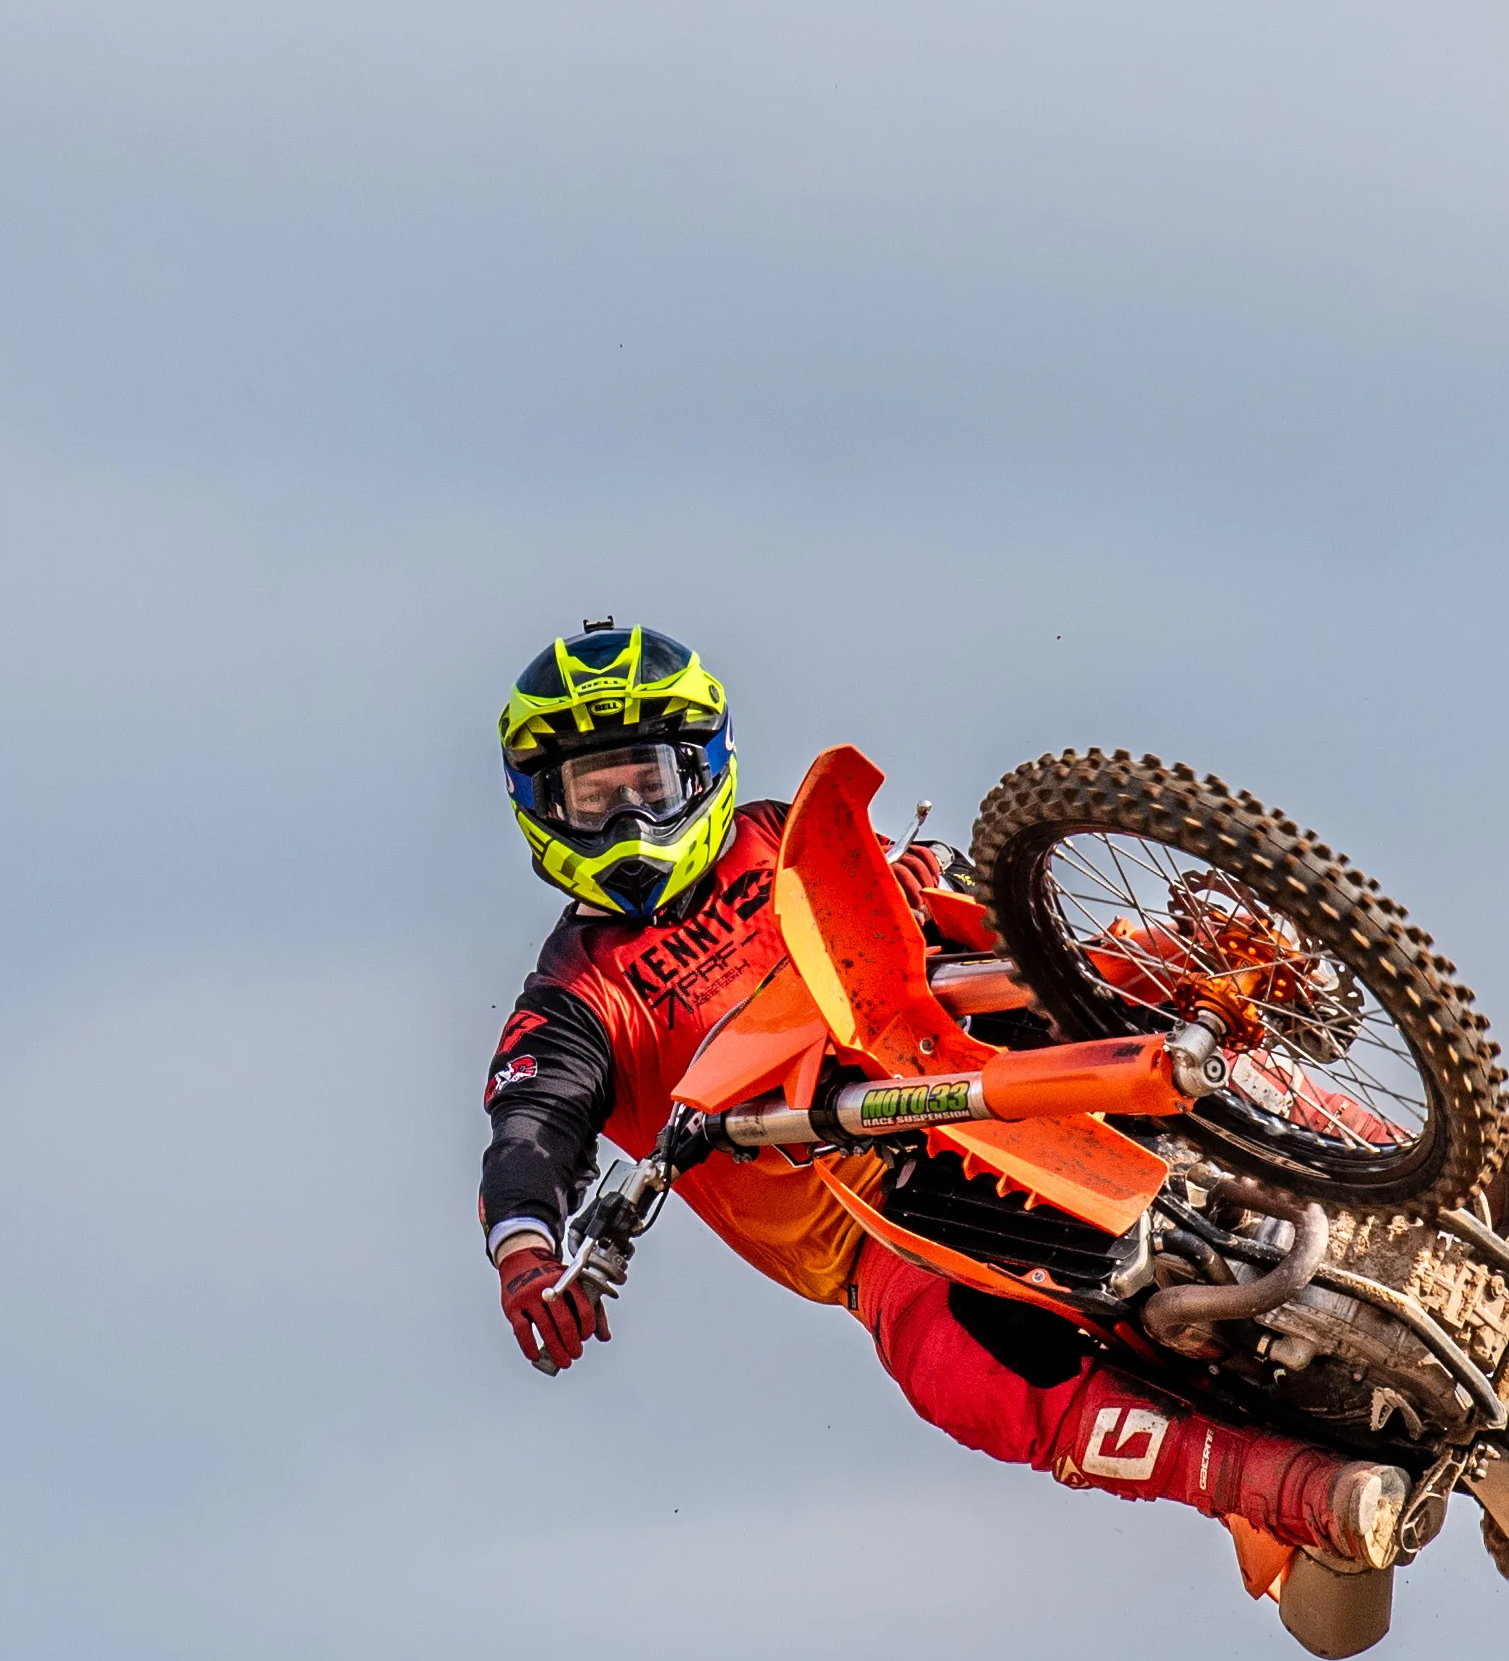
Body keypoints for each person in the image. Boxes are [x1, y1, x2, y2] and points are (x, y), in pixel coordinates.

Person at [475, 620, 1410, 1588]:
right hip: (871, 1220)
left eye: (647, 781)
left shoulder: (781, 841)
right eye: (595, 793)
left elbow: (940, 902)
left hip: (981, 1054)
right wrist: (529, 1253)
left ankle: (1378, 1118)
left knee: (1125, 972)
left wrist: (924, 880)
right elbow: (528, 1130)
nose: (628, 815)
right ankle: (1282, 1485)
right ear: (541, 807)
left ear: (699, 769)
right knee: (958, 1376)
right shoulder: (577, 996)